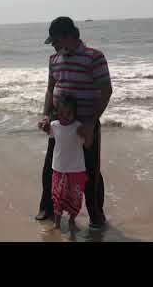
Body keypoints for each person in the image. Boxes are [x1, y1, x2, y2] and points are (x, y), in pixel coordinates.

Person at [35, 16, 112, 230]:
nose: (55, 46)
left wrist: (90, 123)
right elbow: (51, 90)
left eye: (57, 41)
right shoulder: (54, 60)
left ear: (69, 36)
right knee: (51, 168)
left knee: (89, 171)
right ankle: (47, 208)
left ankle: (96, 215)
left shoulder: (94, 57)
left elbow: (106, 91)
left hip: (85, 127)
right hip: (60, 126)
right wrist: (46, 116)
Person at [47, 93, 91, 228]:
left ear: (75, 113)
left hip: (76, 170)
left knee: (75, 199)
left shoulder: (78, 127)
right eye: (61, 112)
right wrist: (42, 124)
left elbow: (88, 145)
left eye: (69, 113)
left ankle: (72, 220)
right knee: (57, 198)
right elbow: (47, 132)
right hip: (58, 168)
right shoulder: (54, 125)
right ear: (56, 112)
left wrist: (86, 133)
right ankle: (57, 223)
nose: (65, 116)